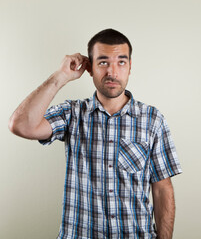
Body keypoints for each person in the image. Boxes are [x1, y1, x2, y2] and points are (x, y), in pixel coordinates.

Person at [9, 29, 182, 239]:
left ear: (130, 67)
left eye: (121, 62)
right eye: (103, 62)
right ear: (89, 68)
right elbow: (20, 125)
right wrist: (61, 76)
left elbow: (162, 189)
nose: (112, 72)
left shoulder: (152, 119)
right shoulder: (72, 114)